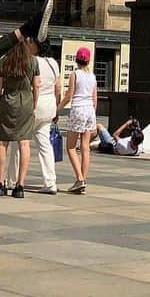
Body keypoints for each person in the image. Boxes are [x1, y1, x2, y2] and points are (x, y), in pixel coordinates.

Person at [0, 38, 39, 198]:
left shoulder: (5, 61)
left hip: (7, 101)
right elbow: (36, 85)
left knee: (2, 143)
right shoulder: (32, 61)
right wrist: (34, 105)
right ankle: (20, 186)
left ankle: (0, 184)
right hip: (25, 101)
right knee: (24, 144)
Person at [61, 46, 97, 193]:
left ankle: (79, 178)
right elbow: (95, 98)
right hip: (90, 110)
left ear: (77, 60)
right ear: (88, 61)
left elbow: (69, 95)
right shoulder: (93, 76)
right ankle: (83, 180)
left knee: (70, 147)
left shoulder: (75, 74)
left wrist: (58, 108)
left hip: (78, 109)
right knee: (85, 148)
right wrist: (92, 115)